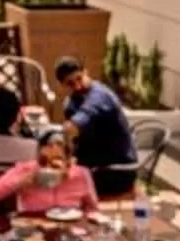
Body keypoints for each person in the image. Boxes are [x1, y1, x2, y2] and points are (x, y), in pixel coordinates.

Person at [0, 127, 99, 226]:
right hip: (35, 233)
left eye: (57, 160)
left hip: (70, 235)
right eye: (43, 161)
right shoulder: (26, 170)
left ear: (68, 159)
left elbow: (92, 209)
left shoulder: (81, 174)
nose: (48, 167)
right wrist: (20, 182)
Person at [54, 56, 137, 199]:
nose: (77, 86)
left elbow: (73, 129)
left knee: (62, 187)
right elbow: (74, 142)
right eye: (71, 84)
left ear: (86, 72)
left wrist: (57, 140)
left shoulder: (99, 96)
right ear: (63, 85)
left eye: (79, 79)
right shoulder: (72, 102)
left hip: (117, 170)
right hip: (94, 165)